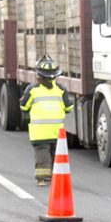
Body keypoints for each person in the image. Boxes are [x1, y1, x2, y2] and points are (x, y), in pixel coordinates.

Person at [19, 55, 73, 186]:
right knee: (56, 154)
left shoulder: (32, 89)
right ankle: (56, 177)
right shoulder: (61, 89)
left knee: (42, 154)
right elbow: (69, 107)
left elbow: (24, 106)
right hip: (57, 132)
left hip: (39, 132)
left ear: (39, 75)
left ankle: (42, 179)